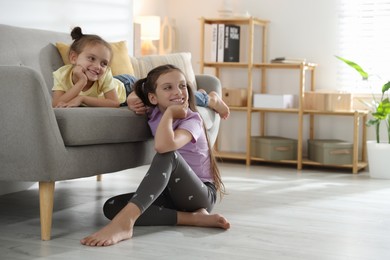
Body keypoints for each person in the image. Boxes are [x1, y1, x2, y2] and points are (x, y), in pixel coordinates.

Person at [80, 64, 231, 247]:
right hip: (170, 193)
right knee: (112, 206)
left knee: (167, 155)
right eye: (168, 87)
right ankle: (192, 218)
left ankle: (125, 223)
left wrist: (169, 114)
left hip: (200, 193)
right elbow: (137, 93)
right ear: (153, 97)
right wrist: (132, 97)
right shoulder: (153, 111)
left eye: (182, 86)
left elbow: (164, 146)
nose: (178, 92)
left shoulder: (192, 119)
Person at [51, 27, 134, 108]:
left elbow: (114, 103)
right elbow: (56, 104)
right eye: (91, 58)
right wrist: (81, 82)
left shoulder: (105, 75)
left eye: (103, 63)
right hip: (112, 83)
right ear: (74, 58)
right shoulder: (62, 75)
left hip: (128, 86)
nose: (98, 67)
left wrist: (82, 99)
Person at [127, 82, 230, 119]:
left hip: (129, 86)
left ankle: (211, 99)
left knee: (173, 96)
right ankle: (201, 94)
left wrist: (131, 98)